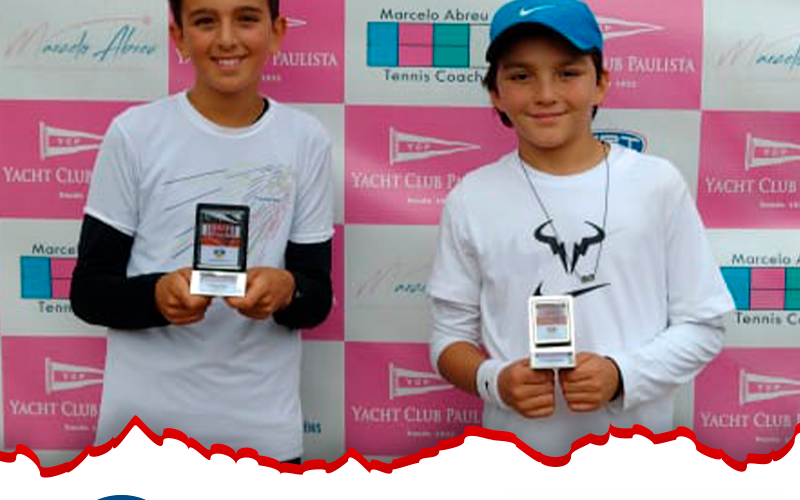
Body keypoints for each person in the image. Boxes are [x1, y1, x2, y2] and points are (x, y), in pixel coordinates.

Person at [427, 0, 734, 456]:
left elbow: (704, 324)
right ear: (495, 93)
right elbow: (448, 339)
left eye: (567, 73)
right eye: (521, 76)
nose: (545, 94)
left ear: (601, 83)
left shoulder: (657, 184)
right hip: (518, 459)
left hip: (635, 459)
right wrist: (495, 381)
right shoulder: (472, 197)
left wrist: (622, 374)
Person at [70, 0, 334, 463]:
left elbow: (316, 298)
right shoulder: (134, 134)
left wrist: (286, 290)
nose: (227, 39)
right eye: (206, 21)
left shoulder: (306, 139)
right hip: (141, 440)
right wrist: (157, 295)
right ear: (179, 36)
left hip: (262, 442)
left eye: (246, 19)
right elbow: (88, 293)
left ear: (277, 32)